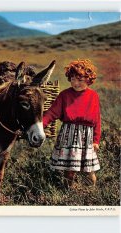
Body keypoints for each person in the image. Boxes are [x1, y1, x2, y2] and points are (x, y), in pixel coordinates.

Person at [43, 59, 101, 188]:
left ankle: (91, 192)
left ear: (88, 80)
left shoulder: (93, 96)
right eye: (73, 79)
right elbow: (52, 112)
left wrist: (96, 140)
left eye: (80, 80)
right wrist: (41, 126)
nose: (76, 83)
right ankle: (67, 191)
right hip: (69, 135)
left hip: (87, 137)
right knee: (69, 170)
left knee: (89, 170)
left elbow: (97, 119)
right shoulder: (65, 95)